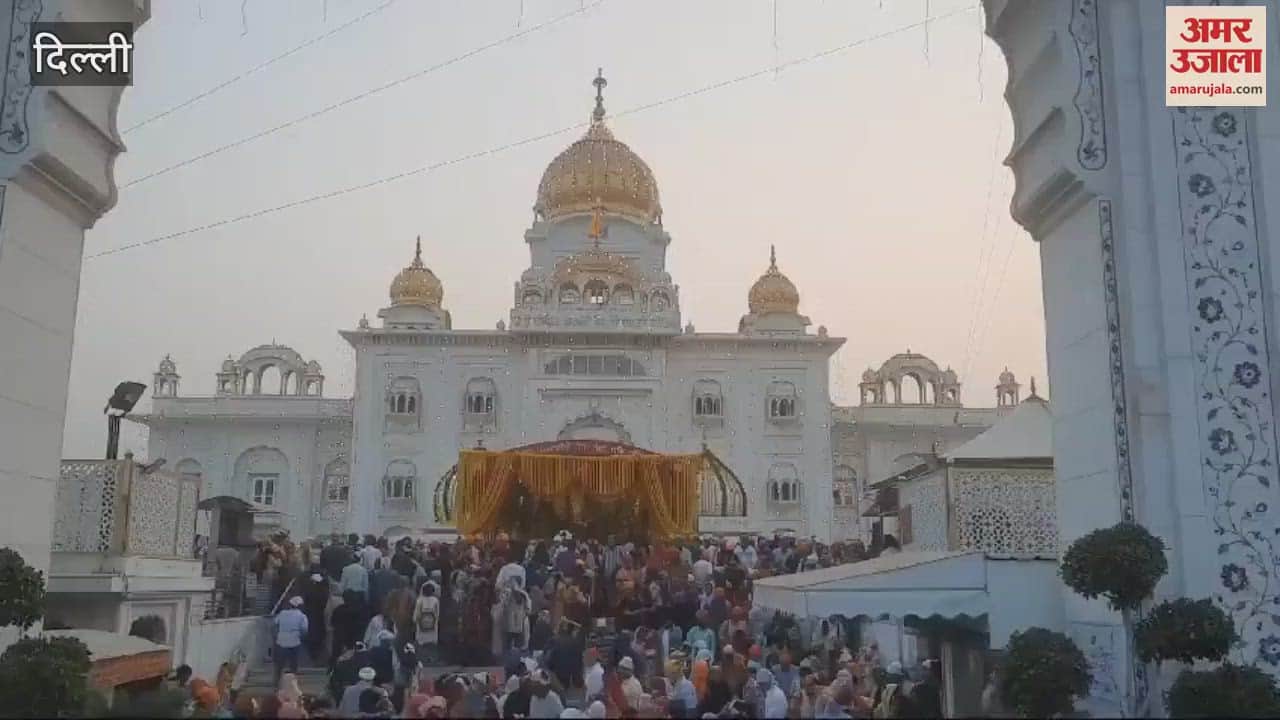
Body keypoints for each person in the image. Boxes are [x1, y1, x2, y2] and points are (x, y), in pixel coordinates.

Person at [273, 595, 309, 682]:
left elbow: (274, 625)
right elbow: (304, 630)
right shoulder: (302, 616)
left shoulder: (282, 613)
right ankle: (292, 683)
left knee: (280, 665)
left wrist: (276, 636)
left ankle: (277, 683)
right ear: (300, 606)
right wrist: (301, 637)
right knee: (293, 665)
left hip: (281, 642)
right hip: (295, 642)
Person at [413, 582, 440, 662]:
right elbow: (437, 613)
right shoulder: (435, 600)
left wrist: (415, 621)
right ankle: (432, 658)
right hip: (432, 625)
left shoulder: (419, 600)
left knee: (422, 643)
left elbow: (416, 615)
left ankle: (423, 659)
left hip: (421, 626)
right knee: (431, 643)